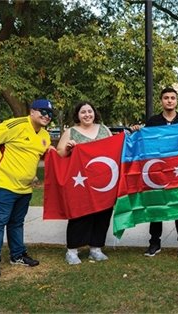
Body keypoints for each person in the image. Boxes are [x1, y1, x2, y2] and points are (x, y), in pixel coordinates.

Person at [0, 99, 53, 277]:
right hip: (1, 185)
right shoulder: (16, 125)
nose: (47, 116)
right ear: (32, 111)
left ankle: (18, 255)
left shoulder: (44, 135)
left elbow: (43, 155)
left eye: (50, 114)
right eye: (43, 112)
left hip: (24, 189)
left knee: (16, 223)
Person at [56, 102, 114, 265]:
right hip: (80, 182)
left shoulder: (104, 129)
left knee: (103, 215)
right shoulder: (71, 132)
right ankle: (72, 250)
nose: (87, 114)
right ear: (78, 115)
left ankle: (96, 248)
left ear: (94, 113)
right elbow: (60, 153)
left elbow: (113, 148)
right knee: (80, 215)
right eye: (83, 112)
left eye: (90, 111)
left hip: (104, 181)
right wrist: (68, 148)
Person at [143, 87, 178, 260]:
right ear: (161, 101)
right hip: (158, 171)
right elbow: (145, 143)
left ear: (176, 101)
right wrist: (137, 131)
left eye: (172, 98)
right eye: (166, 98)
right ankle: (154, 242)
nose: (169, 101)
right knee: (157, 204)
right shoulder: (152, 122)